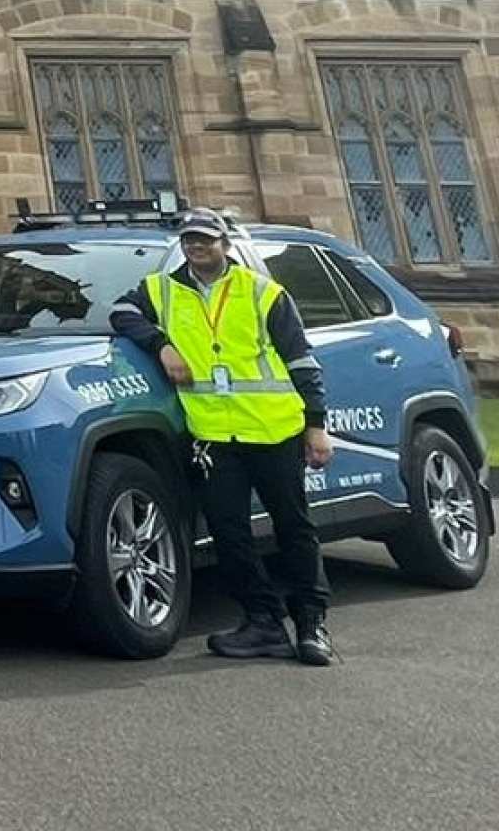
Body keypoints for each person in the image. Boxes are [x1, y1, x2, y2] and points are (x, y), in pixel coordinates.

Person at [111, 206, 335, 665]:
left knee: (294, 528)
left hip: (274, 429)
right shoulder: (161, 290)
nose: (197, 247)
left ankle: (312, 625)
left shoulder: (262, 291)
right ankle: (263, 622)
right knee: (229, 535)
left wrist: (317, 425)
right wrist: (162, 345)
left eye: (206, 239)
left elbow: (301, 362)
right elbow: (121, 312)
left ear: (225, 244)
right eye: (190, 239)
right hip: (213, 436)